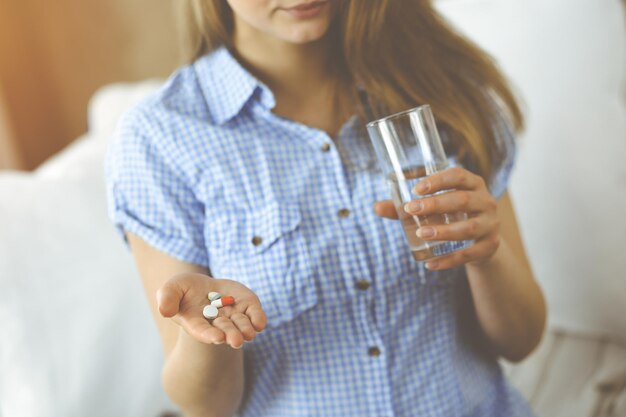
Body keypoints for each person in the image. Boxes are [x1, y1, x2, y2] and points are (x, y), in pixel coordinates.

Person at [104, 1, 547, 416]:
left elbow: (521, 341)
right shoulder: (160, 137)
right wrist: (210, 329)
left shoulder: (447, 90)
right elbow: (207, 407)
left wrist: (487, 254)